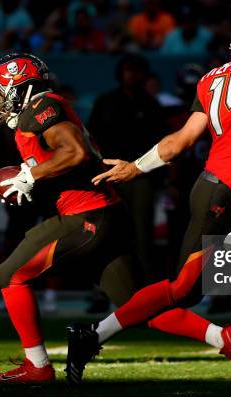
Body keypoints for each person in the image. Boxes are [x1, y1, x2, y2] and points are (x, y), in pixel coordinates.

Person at [67, 11, 231, 386]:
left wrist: (136, 167)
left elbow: (180, 141)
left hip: (216, 185)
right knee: (183, 291)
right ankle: (92, 336)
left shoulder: (212, 77)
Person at [0, 53, 231, 383]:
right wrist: (34, 179)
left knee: (9, 275)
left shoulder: (40, 108)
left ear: (17, 85)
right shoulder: (38, 111)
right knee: (136, 305)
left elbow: (75, 153)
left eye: (0, 89)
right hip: (104, 213)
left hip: (88, 215)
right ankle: (223, 339)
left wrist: (31, 175)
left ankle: (37, 366)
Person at [88, 54, 166, 279]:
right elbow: (91, 138)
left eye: (137, 70)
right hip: (109, 176)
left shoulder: (151, 105)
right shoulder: (106, 101)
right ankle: (104, 290)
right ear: (121, 73)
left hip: (141, 177)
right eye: (128, 70)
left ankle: (144, 288)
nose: (132, 75)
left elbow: (162, 143)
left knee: (142, 235)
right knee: (107, 232)